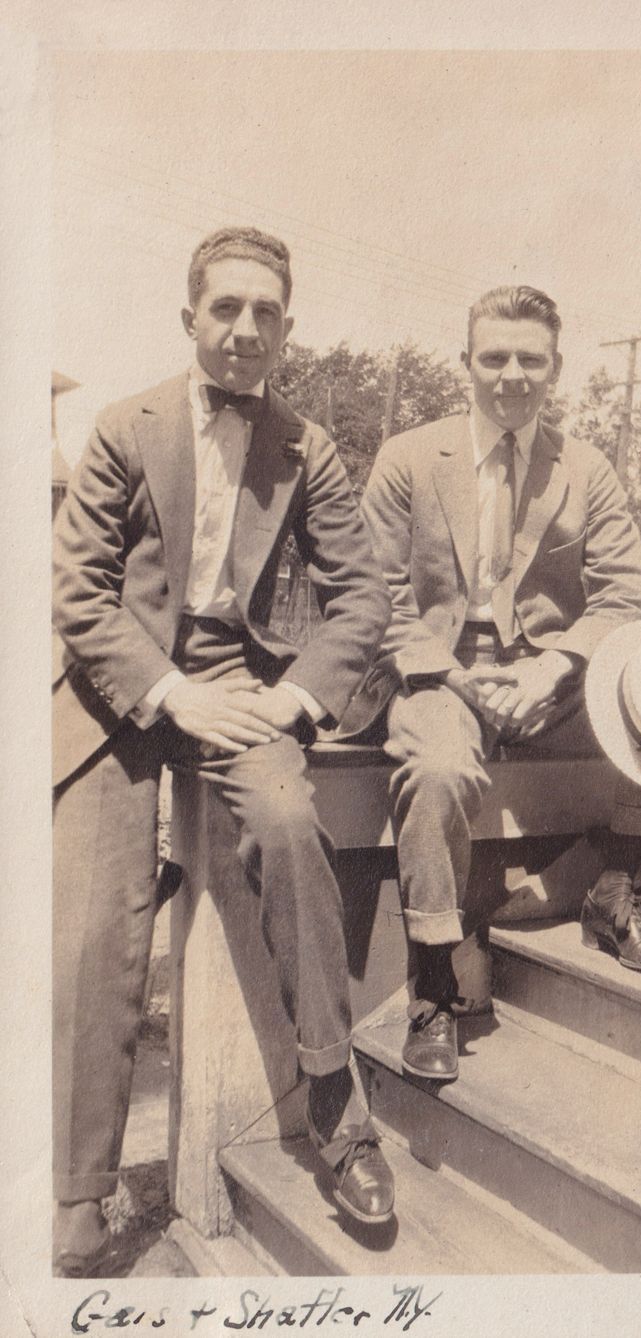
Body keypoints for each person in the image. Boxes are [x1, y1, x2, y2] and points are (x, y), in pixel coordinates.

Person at [51, 227, 395, 1275]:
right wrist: (169, 694)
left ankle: (335, 1105)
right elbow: (79, 596)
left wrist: (293, 698)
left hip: (242, 684)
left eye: (267, 312)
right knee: (97, 919)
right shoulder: (125, 425)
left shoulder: (305, 445)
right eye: (227, 308)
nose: (247, 329)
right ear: (190, 316)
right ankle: (82, 1186)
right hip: (122, 690)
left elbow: (363, 597)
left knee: (290, 828)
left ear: (287, 327)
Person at [357, 284, 641, 1085]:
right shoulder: (409, 457)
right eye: (495, 357)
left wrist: (554, 665)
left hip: (548, 677)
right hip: (439, 672)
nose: (512, 375)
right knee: (439, 769)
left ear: (556, 367)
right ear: (466, 363)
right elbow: (370, 595)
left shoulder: (586, 468)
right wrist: (458, 677)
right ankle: (434, 980)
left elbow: (627, 595)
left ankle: (614, 888)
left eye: (530, 360)